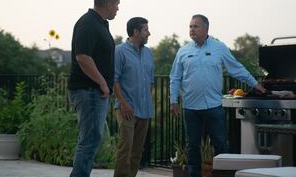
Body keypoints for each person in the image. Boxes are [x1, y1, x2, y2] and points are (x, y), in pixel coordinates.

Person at [169, 14, 265, 177]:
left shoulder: (218, 47)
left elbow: (236, 68)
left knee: (220, 144)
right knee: (192, 146)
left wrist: (254, 83)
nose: (192, 29)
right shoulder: (183, 51)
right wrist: (173, 101)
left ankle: (224, 175)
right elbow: (175, 77)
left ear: (206, 29)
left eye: (196, 26)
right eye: (190, 26)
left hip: (213, 106)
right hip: (190, 107)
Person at [67, 0, 120, 177]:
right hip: (88, 90)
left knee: (92, 138)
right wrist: (103, 83)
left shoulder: (99, 23)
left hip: (94, 91)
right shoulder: (88, 23)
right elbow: (82, 57)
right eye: (117, 4)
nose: (118, 9)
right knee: (90, 139)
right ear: (108, 3)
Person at [113, 17, 154, 177]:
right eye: (145, 30)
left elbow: (151, 80)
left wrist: (147, 101)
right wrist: (124, 104)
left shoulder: (148, 53)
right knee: (125, 149)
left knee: (137, 151)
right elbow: (114, 80)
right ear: (135, 32)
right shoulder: (119, 51)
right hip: (126, 109)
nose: (149, 33)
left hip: (145, 110)